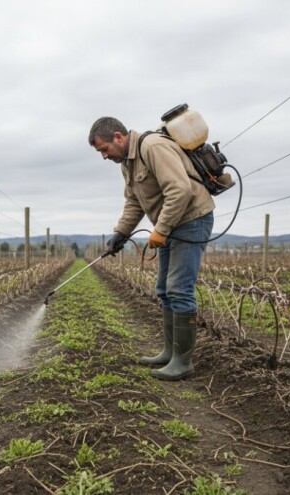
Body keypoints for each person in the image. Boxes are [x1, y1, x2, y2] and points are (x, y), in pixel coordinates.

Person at [88, 116, 214, 380]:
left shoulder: (152, 147)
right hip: (171, 224)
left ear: (118, 137)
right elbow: (134, 202)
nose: (104, 156)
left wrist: (161, 230)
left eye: (105, 149)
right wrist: (121, 233)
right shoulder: (127, 163)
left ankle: (183, 362)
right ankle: (170, 352)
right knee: (164, 290)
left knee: (179, 288)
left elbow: (180, 190)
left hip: (191, 220)